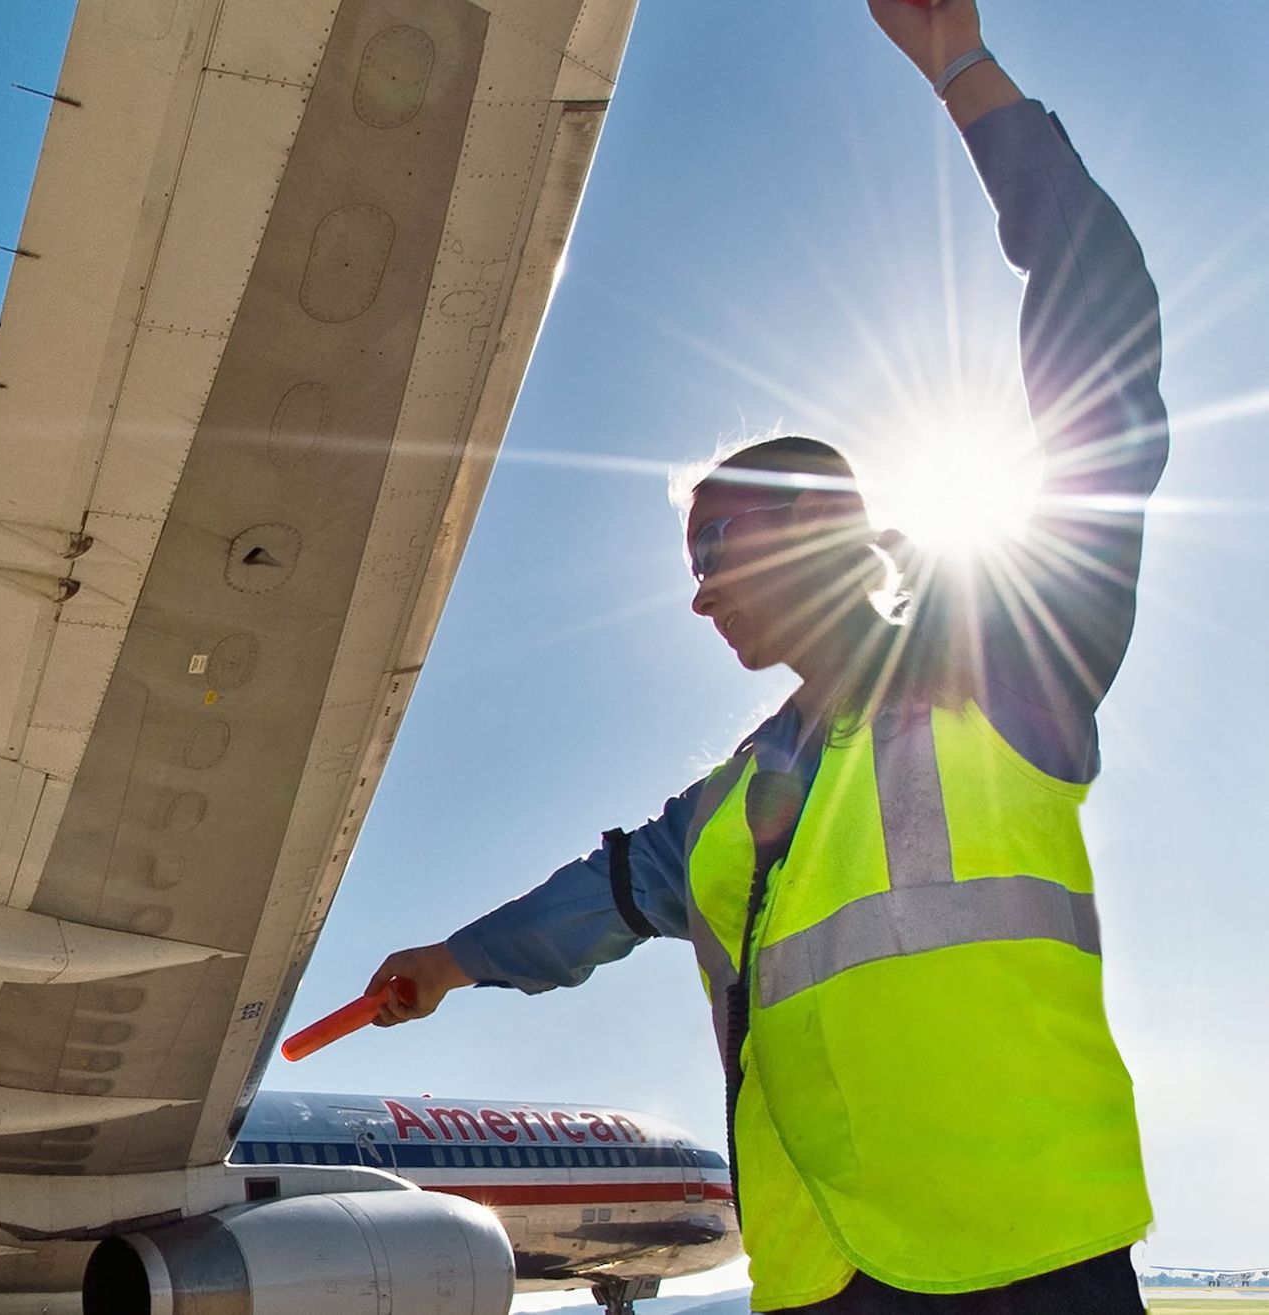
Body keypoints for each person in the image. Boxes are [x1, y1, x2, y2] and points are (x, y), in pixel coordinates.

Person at [363, 2, 1170, 1311]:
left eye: (714, 559)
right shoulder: (731, 805)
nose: (698, 603)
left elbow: (1101, 319)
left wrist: (960, 68)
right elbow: (600, 899)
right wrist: (447, 965)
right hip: (818, 1279)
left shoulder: (1010, 666)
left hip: (1028, 1267)